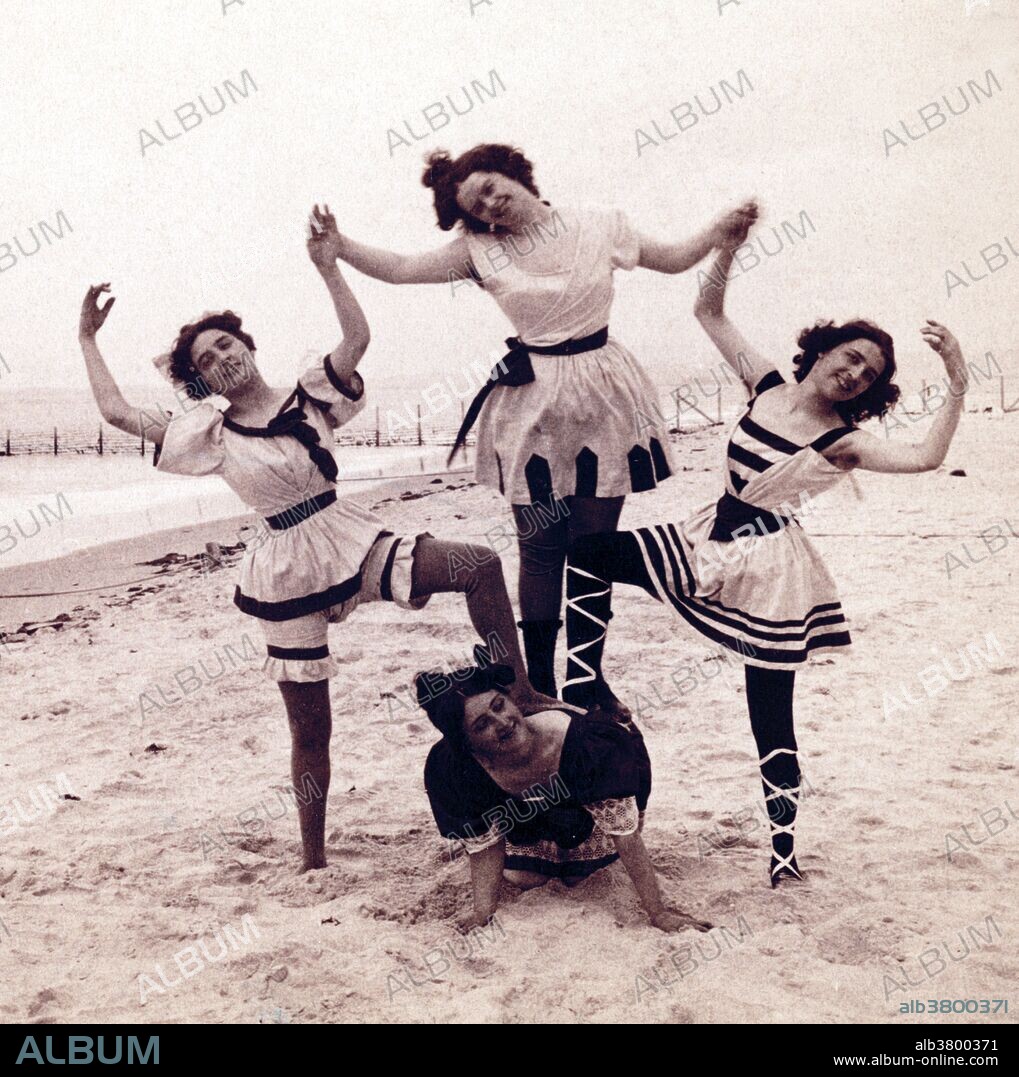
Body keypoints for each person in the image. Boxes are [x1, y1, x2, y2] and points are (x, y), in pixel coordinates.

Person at [77, 206, 563, 874]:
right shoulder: (208, 433)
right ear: (200, 380)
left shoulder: (309, 393)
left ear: (247, 346)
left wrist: (327, 262)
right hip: (284, 570)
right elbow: (115, 412)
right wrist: (87, 340)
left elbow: (357, 336)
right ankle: (312, 857)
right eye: (206, 359)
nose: (221, 359)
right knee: (311, 727)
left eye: (226, 344)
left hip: (349, 535)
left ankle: (523, 689)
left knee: (478, 564)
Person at [561, 213, 968, 886]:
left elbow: (927, 457)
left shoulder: (844, 439)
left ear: (867, 392)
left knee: (768, 711)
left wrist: (955, 383)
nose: (854, 372)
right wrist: (725, 247)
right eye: (850, 356)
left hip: (770, 568)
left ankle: (783, 851)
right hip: (705, 535)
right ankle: (586, 681)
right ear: (824, 348)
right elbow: (706, 308)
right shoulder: (768, 384)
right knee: (588, 552)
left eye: (867, 374)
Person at [331, 143, 757, 712]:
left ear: (511, 171)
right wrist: (337, 248)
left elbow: (677, 258)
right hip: (530, 402)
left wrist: (719, 232)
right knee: (539, 548)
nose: (490, 205)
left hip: (605, 393)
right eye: (476, 207)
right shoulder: (478, 250)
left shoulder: (599, 223)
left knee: (594, 547)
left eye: (488, 186)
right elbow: (403, 270)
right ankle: (539, 685)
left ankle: (587, 678)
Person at [419, 658, 710, 933]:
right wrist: (483, 912)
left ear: (511, 699)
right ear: (468, 744)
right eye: (482, 725)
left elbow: (626, 835)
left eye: (499, 705)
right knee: (526, 878)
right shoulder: (456, 766)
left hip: (593, 807)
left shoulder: (584, 742)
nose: (502, 722)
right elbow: (485, 846)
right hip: (534, 815)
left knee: (579, 876)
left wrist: (658, 912)